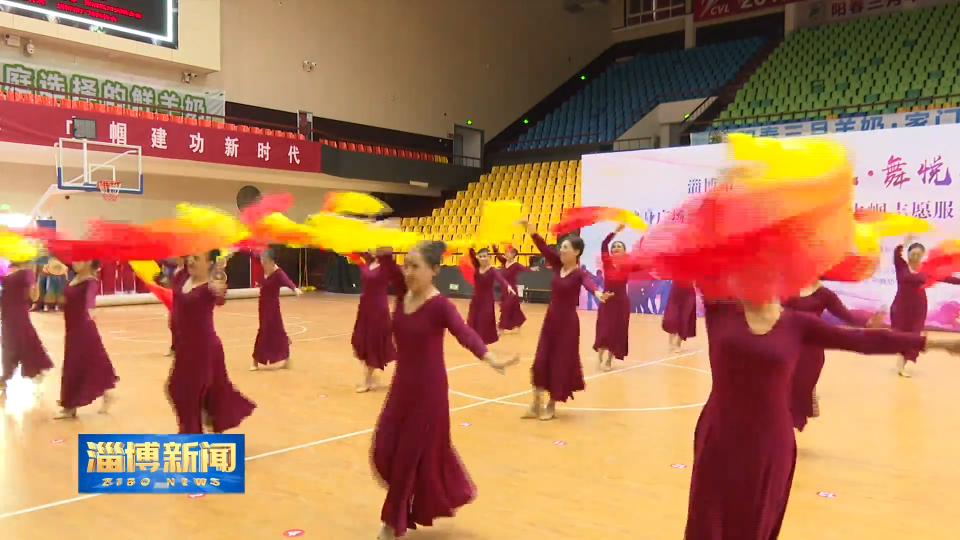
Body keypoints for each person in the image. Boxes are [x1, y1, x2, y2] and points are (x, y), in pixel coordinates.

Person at [685, 298, 959, 539]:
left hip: (770, 445)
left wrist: (934, 342)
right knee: (707, 525)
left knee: (753, 525)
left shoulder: (797, 324)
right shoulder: (719, 309)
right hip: (719, 438)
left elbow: (864, 341)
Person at [371, 240, 517, 540]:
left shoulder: (439, 305)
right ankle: (420, 500)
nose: (408, 271)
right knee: (385, 447)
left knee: (408, 456)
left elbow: (464, 333)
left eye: (415, 266)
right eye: (406, 264)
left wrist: (490, 358)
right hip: (401, 388)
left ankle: (392, 523)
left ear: (435, 270)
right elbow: (386, 262)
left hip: (429, 391)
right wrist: (381, 242)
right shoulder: (403, 291)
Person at [520, 221, 611, 420]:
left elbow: (589, 284)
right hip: (550, 321)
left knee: (559, 363)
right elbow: (543, 248)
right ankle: (535, 403)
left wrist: (597, 293)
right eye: (561, 247)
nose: (561, 251)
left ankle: (551, 404)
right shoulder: (557, 265)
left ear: (577, 252)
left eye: (566, 248)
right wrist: (532, 231)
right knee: (541, 360)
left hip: (568, 325)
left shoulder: (580, 273)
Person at [167, 250, 255, 434]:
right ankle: (204, 424)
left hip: (203, 349)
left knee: (186, 392)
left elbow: (220, 296)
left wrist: (220, 287)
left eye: (196, 258)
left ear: (208, 264)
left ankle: (193, 433)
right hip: (185, 348)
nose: (190, 260)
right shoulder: (182, 276)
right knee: (179, 389)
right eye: (189, 256)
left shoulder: (209, 286)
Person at [783, 281, 883, 431]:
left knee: (802, 388)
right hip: (788, 346)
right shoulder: (787, 289)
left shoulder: (824, 294)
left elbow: (845, 314)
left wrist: (867, 322)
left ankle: (792, 428)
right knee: (784, 389)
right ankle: (784, 431)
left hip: (812, 349)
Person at [56, 260, 118, 419]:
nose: (75, 262)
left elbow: (90, 301)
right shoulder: (74, 279)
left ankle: (70, 405)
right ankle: (104, 395)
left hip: (83, 328)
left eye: (79, 259)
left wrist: (89, 309)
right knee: (88, 363)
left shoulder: (90, 282)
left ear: (89, 262)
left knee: (78, 363)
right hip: (71, 328)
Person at [890, 237, 960, 377]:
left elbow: (945, 278)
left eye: (918, 254)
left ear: (922, 255)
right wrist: (905, 241)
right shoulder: (901, 266)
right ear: (909, 254)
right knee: (899, 334)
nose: (915, 256)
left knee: (915, 334)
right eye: (913, 253)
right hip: (900, 306)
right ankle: (902, 357)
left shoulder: (927, 269)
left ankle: (910, 361)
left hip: (918, 307)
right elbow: (896, 253)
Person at [352, 247, 402, 392]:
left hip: (377, 309)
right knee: (362, 341)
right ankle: (371, 377)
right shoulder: (369, 262)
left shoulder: (386, 267)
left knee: (373, 343)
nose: (372, 249)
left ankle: (367, 380)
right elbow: (357, 253)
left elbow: (398, 275)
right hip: (365, 308)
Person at [0, 259, 54, 393]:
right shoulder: (9, 269)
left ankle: (9, 376)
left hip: (18, 312)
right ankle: (8, 375)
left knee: (19, 340)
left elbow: (34, 297)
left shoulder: (27, 272)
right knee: (10, 341)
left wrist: (34, 285)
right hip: (7, 311)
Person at [251, 247, 301, 371]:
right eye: (262, 261)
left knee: (270, 331)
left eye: (266, 262)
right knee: (270, 331)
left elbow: (287, 281)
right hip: (262, 305)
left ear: (272, 262)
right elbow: (251, 254)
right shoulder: (263, 266)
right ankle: (257, 360)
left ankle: (256, 361)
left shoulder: (278, 273)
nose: (263, 264)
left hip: (273, 307)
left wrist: (295, 289)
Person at [593, 225, 631, 371]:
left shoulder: (628, 265)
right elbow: (604, 244)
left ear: (624, 252)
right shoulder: (607, 263)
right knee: (604, 330)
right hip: (607, 302)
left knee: (617, 331)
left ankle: (609, 360)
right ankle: (600, 355)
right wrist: (615, 232)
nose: (615, 248)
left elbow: (644, 264)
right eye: (614, 246)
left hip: (621, 303)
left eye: (619, 246)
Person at [466, 247, 515, 345]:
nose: (483, 258)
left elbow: (501, 279)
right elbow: (471, 254)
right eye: (480, 256)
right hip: (476, 298)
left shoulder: (492, 270)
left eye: (485, 256)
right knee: (473, 318)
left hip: (487, 299)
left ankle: (484, 340)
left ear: (489, 257)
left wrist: (508, 287)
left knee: (485, 319)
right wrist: (471, 246)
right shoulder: (476, 266)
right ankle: (473, 338)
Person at [492, 245, 536, 334]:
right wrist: (495, 249)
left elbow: (524, 268)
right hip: (504, 290)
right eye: (506, 252)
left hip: (511, 291)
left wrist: (531, 268)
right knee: (514, 308)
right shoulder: (505, 262)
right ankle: (518, 323)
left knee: (506, 308)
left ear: (513, 254)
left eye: (508, 252)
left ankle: (501, 328)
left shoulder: (516, 265)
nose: (506, 254)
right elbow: (498, 256)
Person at [662, 281, 698, 354]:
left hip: (688, 292)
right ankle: (671, 341)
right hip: (676, 291)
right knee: (671, 317)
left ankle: (678, 344)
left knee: (685, 318)